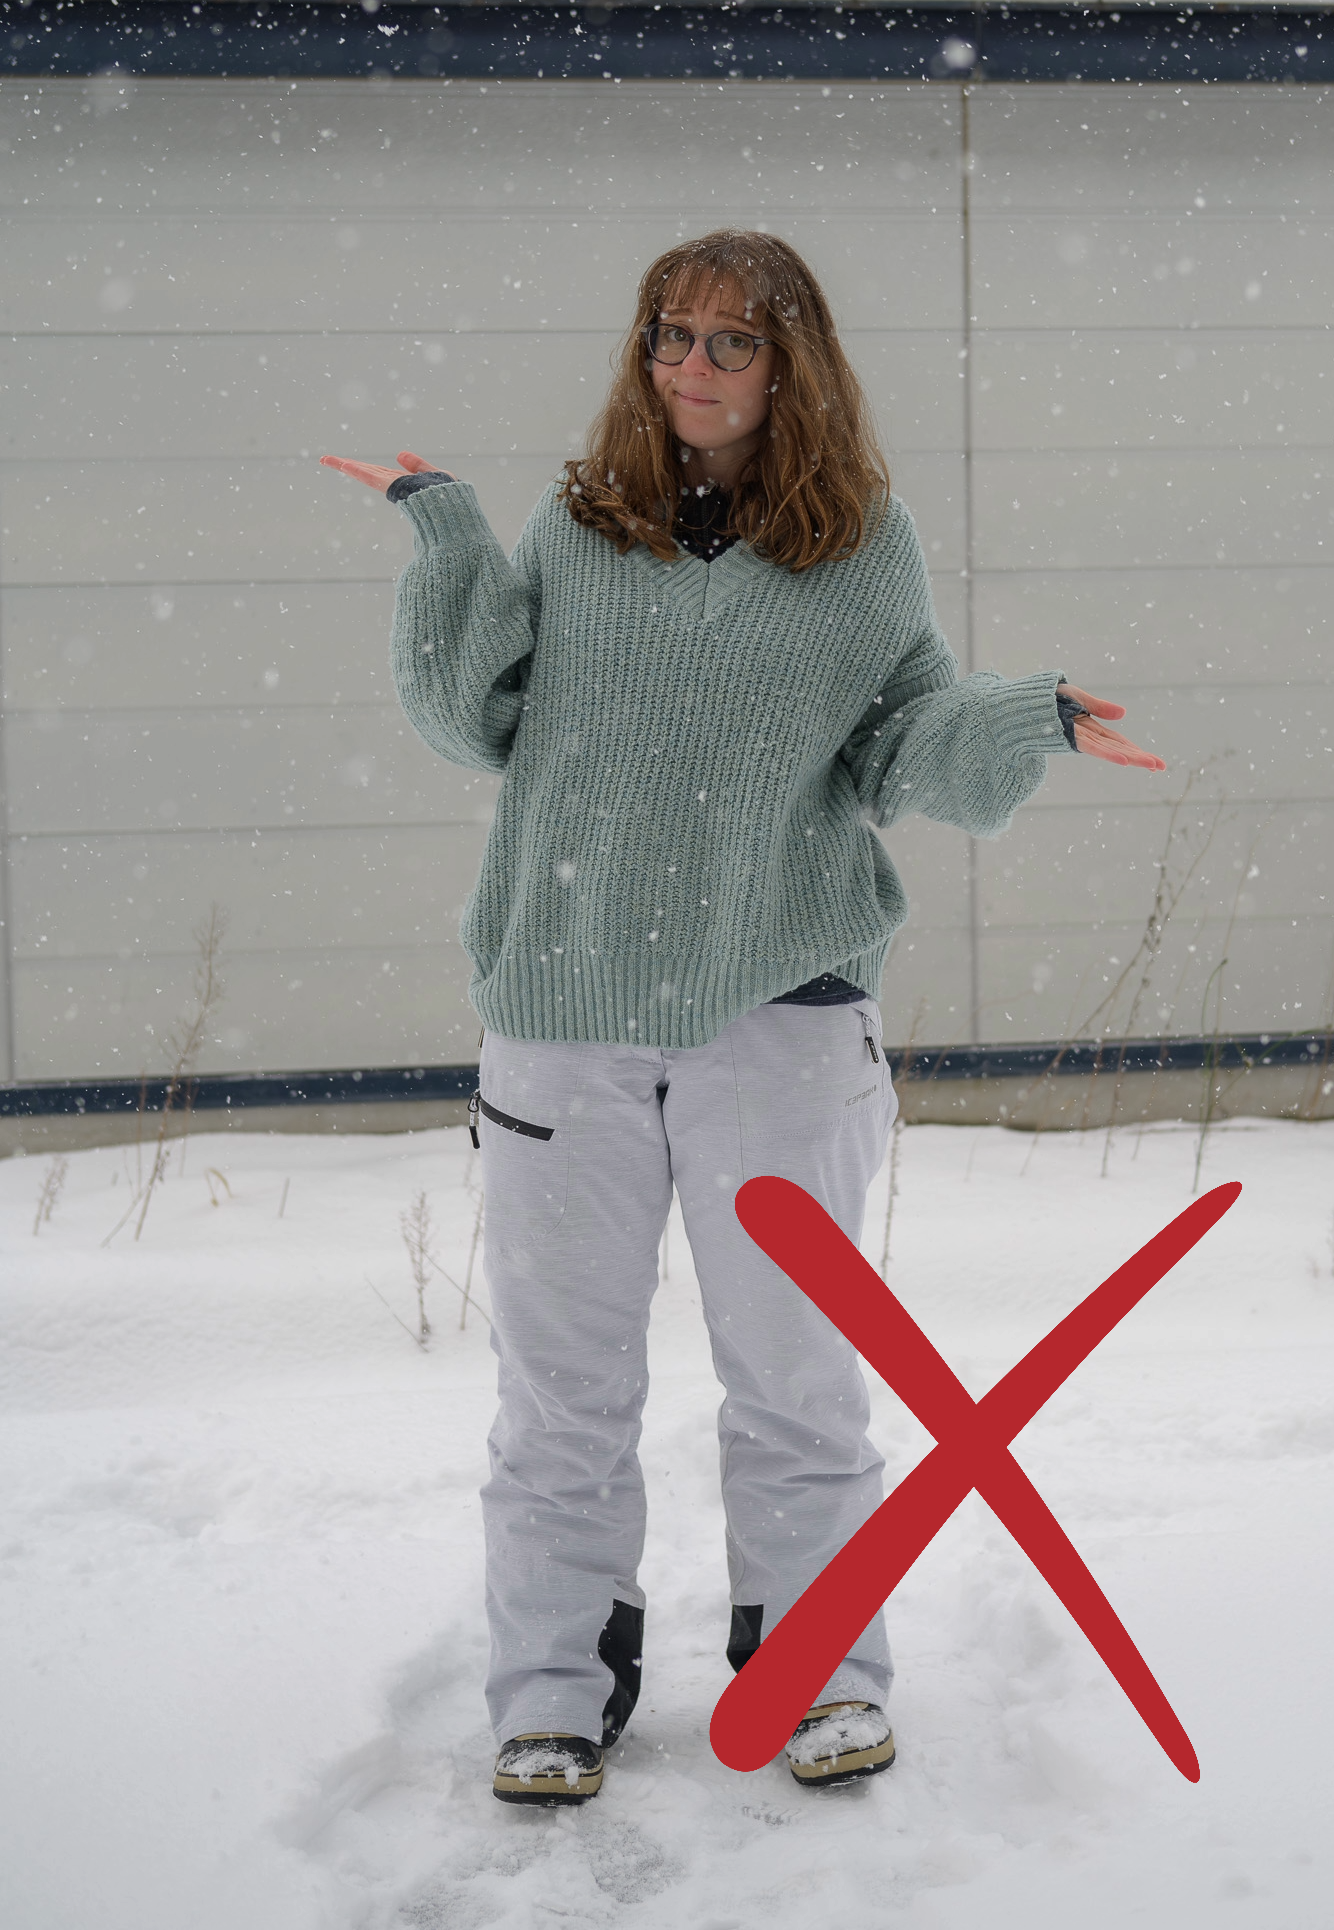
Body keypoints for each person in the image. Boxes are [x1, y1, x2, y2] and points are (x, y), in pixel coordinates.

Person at [322, 229, 1164, 1808]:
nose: (691, 368)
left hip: (780, 1019)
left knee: (796, 1380)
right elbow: (473, 718)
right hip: (564, 1018)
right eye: (669, 335)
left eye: (729, 341)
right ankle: (554, 1687)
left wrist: (1017, 717)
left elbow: (897, 736)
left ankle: (822, 1672)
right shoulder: (578, 533)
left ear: (792, 366)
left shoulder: (859, 546)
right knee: (561, 1391)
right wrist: (443, 537)